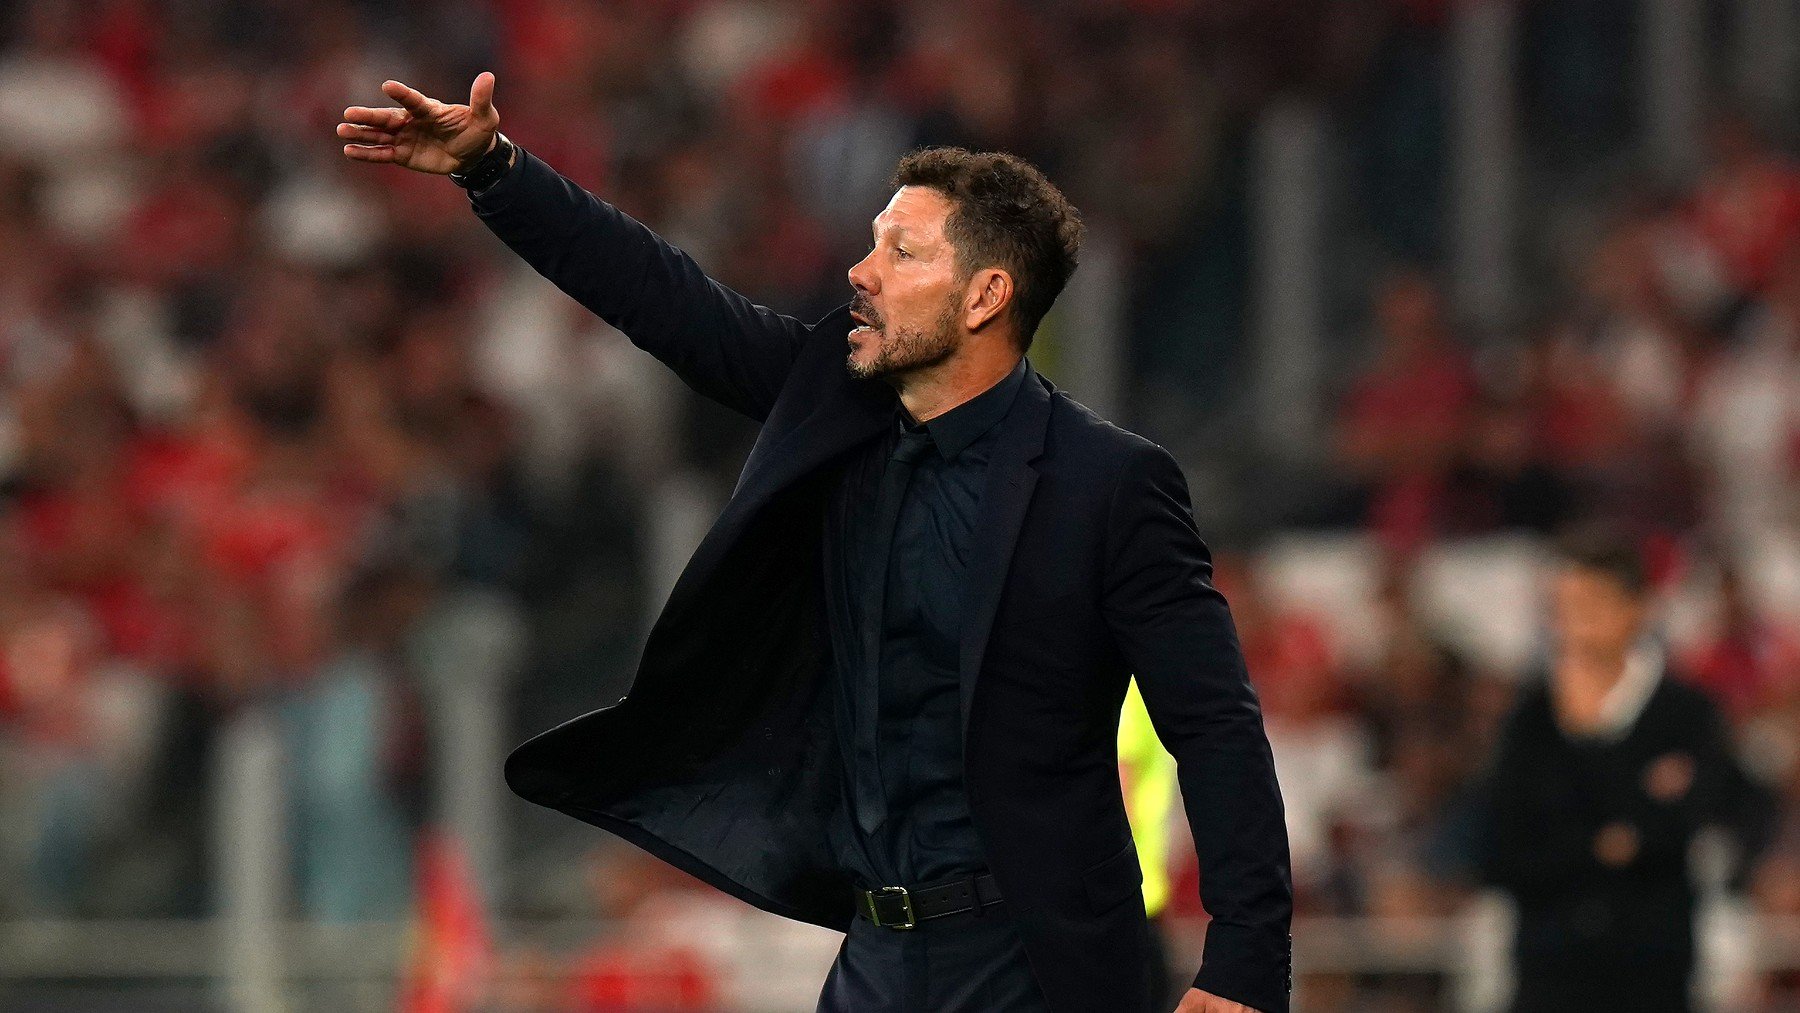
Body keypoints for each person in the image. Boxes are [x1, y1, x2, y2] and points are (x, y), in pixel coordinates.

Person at [339, 74, 1292, 1013]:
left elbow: (1211, 724)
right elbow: (661, 296)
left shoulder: (1109, 485)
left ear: (984, 296)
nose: (859, 272)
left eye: (900, 253)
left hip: (1039, 964)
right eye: (871, 244)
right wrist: (494, 169)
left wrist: (1243, 961)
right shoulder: (836, 406)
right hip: (876, 955)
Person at [1473, 530, 1775, 1013]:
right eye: (1562, 607)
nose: (1573, 623)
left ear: (1638, 608)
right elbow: (1500, 851)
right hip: (1549, 975)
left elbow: (1718, 814)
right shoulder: (1528, 722)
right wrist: (1622, 830)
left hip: (1653, 974)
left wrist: (1597, 839)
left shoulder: (1686, 714)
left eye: (1591, 603)